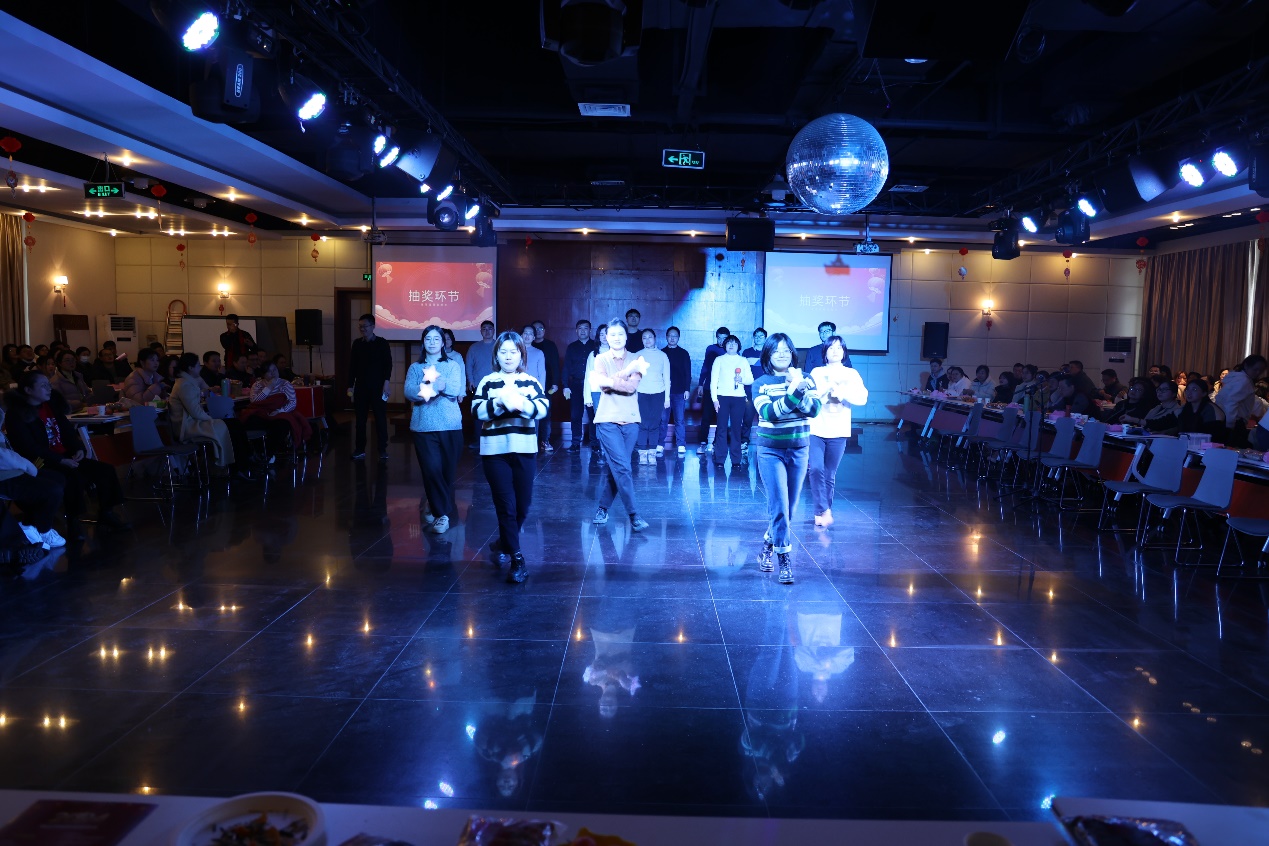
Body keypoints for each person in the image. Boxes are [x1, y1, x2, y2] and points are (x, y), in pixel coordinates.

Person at [4, 371, 130, 535]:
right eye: (43, 385)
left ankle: (107, 513)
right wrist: (60, 460)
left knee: (105, 470)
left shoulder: (51, 405)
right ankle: (73, 520)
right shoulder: (17, 414)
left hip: (66, 456)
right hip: (40, 462)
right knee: (72, 477)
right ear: (28, 390)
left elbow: (67, 432)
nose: (49, 388)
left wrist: (78, 448)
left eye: (49, 385)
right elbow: (28, 447)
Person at [472, 331, 550, 584]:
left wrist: (521, 404)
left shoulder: (530, 382)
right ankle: (517, 560)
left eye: (513, 352)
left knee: (523, 505)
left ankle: (503, 543)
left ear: (521, 354)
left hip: (524, 450)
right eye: (503, 352)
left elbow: (542, 408)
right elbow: (477, 411)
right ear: (496, 355)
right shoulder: (488, 382)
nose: (508, 356)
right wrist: (500, 402)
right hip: (495, 452)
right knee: (506, 506)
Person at [752, 333, 822, 585]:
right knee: (780, 506)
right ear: (767, 355)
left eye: (785, 350)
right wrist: (795, 392)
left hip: (799, 449)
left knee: (788, 509)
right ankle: (784, 559)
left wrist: (799, 388)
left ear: (792, 353)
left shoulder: (807, 378)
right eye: (776, 350)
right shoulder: (760, 383)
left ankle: (766, 546)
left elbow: (814, 410)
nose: (781, 354)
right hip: (770, 451)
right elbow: (770, 413)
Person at [589, 318, 649, 532]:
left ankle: (602, 508)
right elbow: (604, 387)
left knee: (617, 467)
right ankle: (634, 515)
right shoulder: (600, 359)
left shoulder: (637, 359)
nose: (616, 338)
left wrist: (610, 380)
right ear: (606, 337)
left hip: (631, 420)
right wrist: (624, 374)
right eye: (612, 334)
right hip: (607, 419)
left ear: (626, 336)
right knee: (623, 467)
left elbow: (631, 388)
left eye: (620, 334)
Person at [406, 325, 465, 534]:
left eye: (436, 339)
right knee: (431, 469)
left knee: (446, 473)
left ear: (443, 342)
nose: (432, 342)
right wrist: (434, 387)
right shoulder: (415, 368)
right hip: (423, 426)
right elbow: (409, 392)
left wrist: (431, 388)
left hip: (450, 425)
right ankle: (442, 515)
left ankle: (434, 503)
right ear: (423, 343)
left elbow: (455, 389)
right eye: (428, 339)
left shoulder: (452, 365)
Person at [806, 336, 867, 528]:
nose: (835, 351)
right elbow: (809, 396)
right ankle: (821, 510)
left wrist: (844, 394)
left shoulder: (851, 374)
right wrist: (823, 393)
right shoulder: (817, 372)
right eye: (831, 348)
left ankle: (825, 510)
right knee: (816, 469)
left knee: (829, 473)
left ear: (844, 352)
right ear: (824, 352)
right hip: (816, 428)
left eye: (839, 348)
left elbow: (862, 398)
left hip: (839, 429)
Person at [169, 352, 252, 476]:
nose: (200, 368)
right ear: (190, 368)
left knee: (234, 424)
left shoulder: (188, 382)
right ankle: (240, 466)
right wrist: (211, 419)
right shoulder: (184, 385)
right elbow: (195, 412)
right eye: (198, 365)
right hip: (188, 426)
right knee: (231, 426)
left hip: (194, 422)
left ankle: (242, 463)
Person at [0, 405, 68, 550]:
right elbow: (4, 456)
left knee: (58, 478)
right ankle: (43, 530)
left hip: (11, 469)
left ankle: (31, 525)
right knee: (52, 490)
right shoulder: (15, 413)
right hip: (4, 476)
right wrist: (26, 465)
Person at [349, 313, 393, 461]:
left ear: (373, 326)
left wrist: (386, 384)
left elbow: (388, 365)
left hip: (378, 387)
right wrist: (350, 386)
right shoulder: (357, 344)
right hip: (361, 387)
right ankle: (360, 449)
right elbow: (352, 367)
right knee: (360, 420)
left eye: (365, 326)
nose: (362, 329)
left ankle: (382, 450)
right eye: (360, 327)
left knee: (380, 419)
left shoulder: (382, 343)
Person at [243, 360, 309, 454]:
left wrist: (280, 411)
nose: (273, 373)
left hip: (279, 413)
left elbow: (292, 402)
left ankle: (270, 453)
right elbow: (254, 402)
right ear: (264, 374)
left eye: (274, 370)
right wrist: (269, 387)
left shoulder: (285, 383)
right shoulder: (257, 385)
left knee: (281, 425)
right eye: (269, 371)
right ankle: (258, 452)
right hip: (262, 413)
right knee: (249, 422)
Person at [710, 334, 753, 468]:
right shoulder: (719, 360)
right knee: (721, 428)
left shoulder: (743, 360)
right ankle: (720, 458)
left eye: (734, 343)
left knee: (736, 429)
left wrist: (742, 380)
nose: (731, 345)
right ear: (725, 345)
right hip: (722, 397)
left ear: (738, 346)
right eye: (729, 343)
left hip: (739, 398)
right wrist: (714, 399)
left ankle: (736, 459)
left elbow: (750, 379)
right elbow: (713, 381)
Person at [633, 328, 670, 464]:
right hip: (641, 393)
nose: (647, 340)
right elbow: (633, 378)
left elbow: (666, 378)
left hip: (658, 393)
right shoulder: (637, 355)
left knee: (655, 424)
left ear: (655, 339)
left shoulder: (663, 356)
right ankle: (643, 453)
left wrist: (667, 398)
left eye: (650, 337)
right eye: (644, 337)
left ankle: (652, 453)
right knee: (642, 424)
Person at [1214, 354, 1267, 446]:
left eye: (1261, 371)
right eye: (1255, 369)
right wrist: (1230, 425)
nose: (1258, 373)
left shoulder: (1237, 378)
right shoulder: (1243, 380)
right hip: (1234, 422)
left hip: (1227, 420)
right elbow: (1230, 402)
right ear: (1246, 365)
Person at [562, 319, 598, 450]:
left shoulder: (595, 346)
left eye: (585, 328)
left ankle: (595, 443)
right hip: (576, 384)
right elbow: (566, 367)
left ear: (590, 330)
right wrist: (565, 385)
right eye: (580, 328)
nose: (583, 331)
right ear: (576, 331)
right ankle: (575, 442)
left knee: (593, 414)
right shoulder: (571, 347)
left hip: (592, 385)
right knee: (575, 415)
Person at [696, 326, 729, 452]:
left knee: (721, 418)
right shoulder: (711, 348)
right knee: (706, 416)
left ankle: (716, 444)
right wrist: (700, 384)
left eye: (724, 338)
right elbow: (705, 366)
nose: (721, 341)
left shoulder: (731, 350)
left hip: (724, 389)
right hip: (709, 387)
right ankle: (703, 443)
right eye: (719, 338)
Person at [465, 320, 497, 448]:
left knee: (495, 413)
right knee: (478, 414)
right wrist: (470, 380)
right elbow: (469, 365)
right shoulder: (474, 347)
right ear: (480, 331)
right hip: (478, 385)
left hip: (496, 385)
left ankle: (495, 441)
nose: (487, 331)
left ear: (494, 331)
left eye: (490, 328)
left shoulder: (499, 345)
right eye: (484, 329)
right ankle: (479, 441)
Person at [661, 326, 692, 456]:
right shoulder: (662, 353)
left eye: (675, 336)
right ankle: (660, 444)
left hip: (679, 391)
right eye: (670, 335)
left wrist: (687, 389)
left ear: (678, 338)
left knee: (679, 419)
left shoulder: (684, 353)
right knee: (663, 419)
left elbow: (687, 372)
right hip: (664, 392)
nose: (672, 338)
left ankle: (681, 444)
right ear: (666, 337)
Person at [531, 321, 560, 452]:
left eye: (540, 328)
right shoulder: (527, 345)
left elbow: (555, 365)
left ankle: (545, 440)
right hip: (528, 385)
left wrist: (555, 383)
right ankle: (531, 441)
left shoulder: (550, 345)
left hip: (547, 385)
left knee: (545, 413)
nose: (538, 331)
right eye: (535, 329)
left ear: (544, 330)